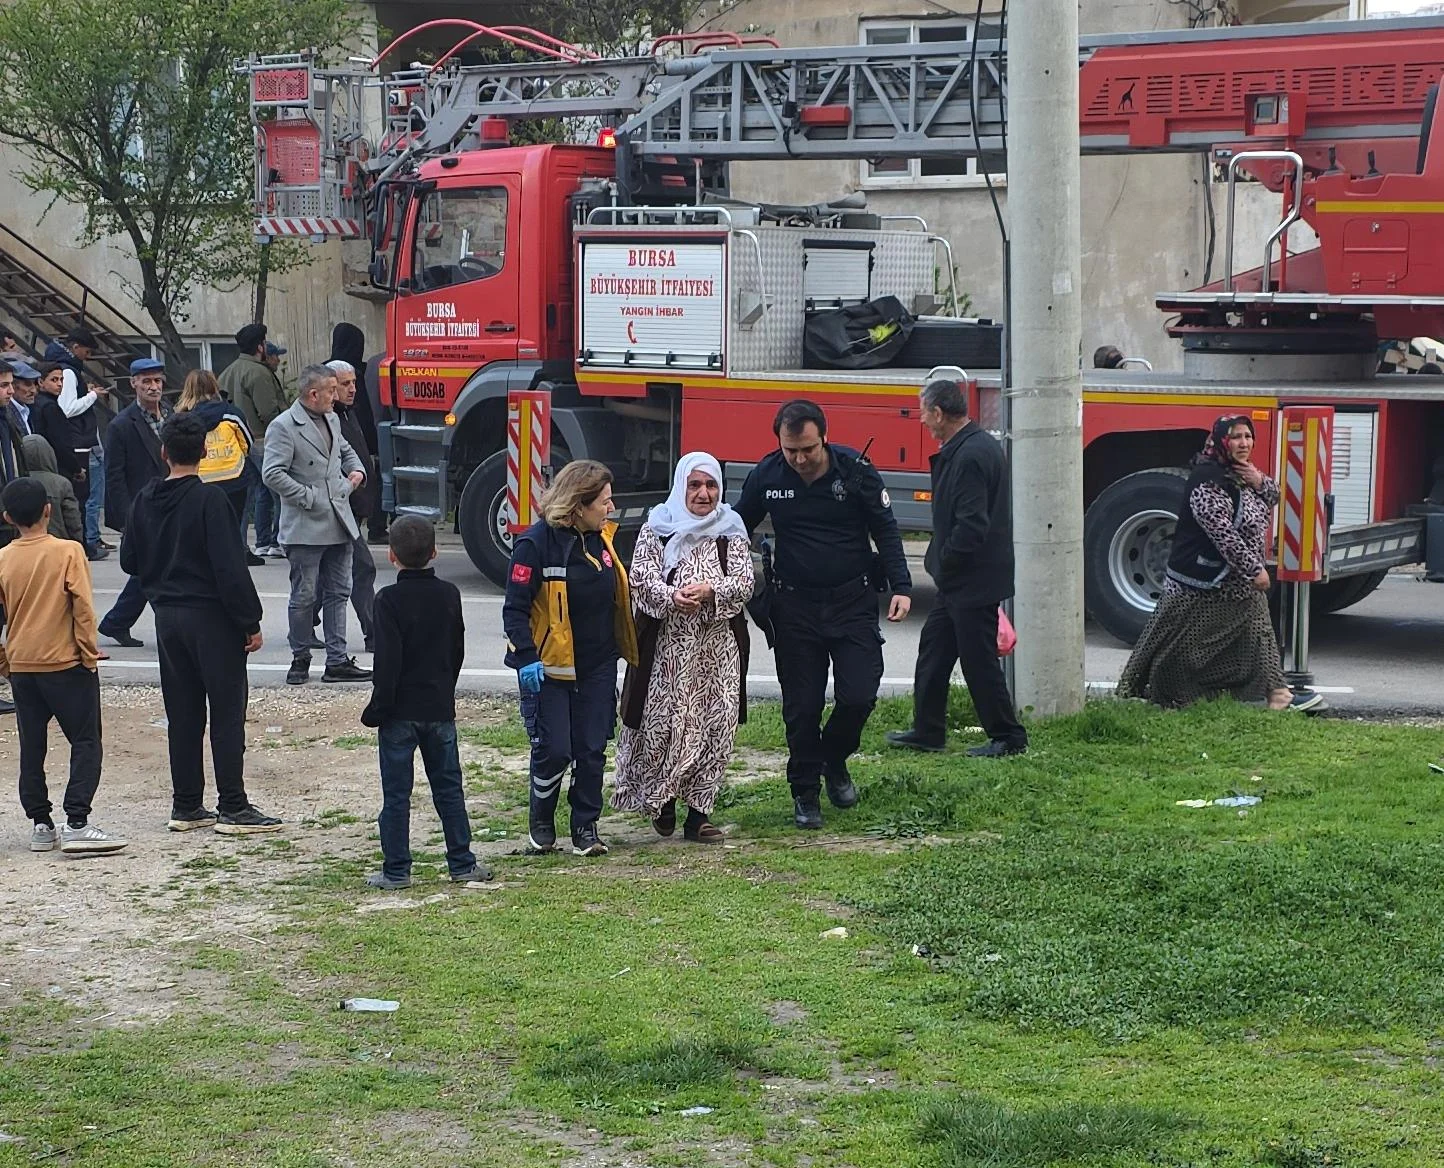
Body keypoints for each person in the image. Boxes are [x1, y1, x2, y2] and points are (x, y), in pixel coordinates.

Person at [735, 400, 912, 830]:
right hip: (795, 607)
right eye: (791, 450)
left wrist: (902, 586)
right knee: (802, 708)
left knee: (859, 695)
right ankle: (805, 792)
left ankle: (833, 757)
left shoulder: (856, 472)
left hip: (852, 603)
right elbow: (737, 525)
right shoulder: (768, 474)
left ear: (825, 439)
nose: (799, 459)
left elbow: (886, 529)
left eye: (808, 450)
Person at [120, 413, 282, 834]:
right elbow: (230, 568)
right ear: (205, 452)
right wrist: (250, 620)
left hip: (166, 616)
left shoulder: (144, 499)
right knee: (226, 711)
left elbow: (129, 560)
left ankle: (187, 802)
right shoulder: (210, 500)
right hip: (210, 616)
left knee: (183, 713)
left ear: (164, 452)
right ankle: (233, 803)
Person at [1118, 415, 1322, 712]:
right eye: (1236, 437)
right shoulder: (1208, 480)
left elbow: (1274, 495)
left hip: (1235, 579)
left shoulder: (1241, 473)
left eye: (1248, 436)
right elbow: (1222, 535)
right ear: (1222, 441)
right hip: (1201, 580)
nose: (1244, 443)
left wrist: (1259, 480)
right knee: (1182, 645)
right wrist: (1254, 570)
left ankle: (1277, 693)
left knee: (1258, 630)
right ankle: (1164, 690)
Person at [612, 453, 754, 843]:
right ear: (681, 487)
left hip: (717, 651)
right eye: (695, 485)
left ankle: (699, 815)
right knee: (666, 723)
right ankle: (664, 800)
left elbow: (744, 583)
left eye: (711, 485)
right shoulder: (657, 526)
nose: (704, 494)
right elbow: (640, 578)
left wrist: (711, 590)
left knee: (716, 725)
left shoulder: (730, 529)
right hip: (668, 651)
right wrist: (672, 596)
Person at [502, 459, 639, 858]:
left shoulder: (602, 540)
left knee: (591, 748)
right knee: (556, 749)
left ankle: (585, 827)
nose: (611, 508)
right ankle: (542, 820)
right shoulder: (535, 545)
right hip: (549, 668)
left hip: (597, 664)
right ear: (579, 505)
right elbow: (515, 609)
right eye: (604, 501)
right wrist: (527, 657)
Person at [886, 378, 1028, 758]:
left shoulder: (969, 456)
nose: (921, 420)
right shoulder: (971, 446)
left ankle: (1008, 737)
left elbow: (971, 526)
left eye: (923, 412)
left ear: (938, 413)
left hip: (971, 579)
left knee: (978, 662)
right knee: (934, 653)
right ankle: (928, 730)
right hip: (960, 580)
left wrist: (946, 562)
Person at [360, 515, 487, 888]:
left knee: (397, 794)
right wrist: (446, 690)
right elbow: (457, 649)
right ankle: (461, 862)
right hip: (438, 706)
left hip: (400, 710)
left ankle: (396, 868)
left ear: (391, 555)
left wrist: (378, 708)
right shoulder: (449, 594)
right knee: (449, 789)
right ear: (434, 552)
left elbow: (387, 662)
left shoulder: (387, 600)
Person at [0, 477, 125, 854]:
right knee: (85, 741)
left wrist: (4, 661)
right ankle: (77, 820)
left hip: (22, 664)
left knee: (32, 745)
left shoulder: (3, 558)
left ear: (8, 518)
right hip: (65, 661)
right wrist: (88, 652)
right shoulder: (68, 551)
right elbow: (82, 608)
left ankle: (41, 823)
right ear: (48, 510)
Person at [263, 363, 372, 686]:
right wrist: (308, 497)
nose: (336, 395)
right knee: (305, 595)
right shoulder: (284, 426)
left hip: (339, 519)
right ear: (313, 394)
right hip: (305, 524)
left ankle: (337, 660)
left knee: (339, 592)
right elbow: (272, 474)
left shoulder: (332, 418)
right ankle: (300, 657)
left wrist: (357, 472)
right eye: (331, 390)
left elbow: (345, 451)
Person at [98, 358, 172, 648]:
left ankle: (117, 621)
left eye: (157, 381)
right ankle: (166, 625)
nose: (154, 387)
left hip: (169, 503)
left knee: (150, 568)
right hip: (141, 508)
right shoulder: (121, 425)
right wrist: (128, 516)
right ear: (134, 384)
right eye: (147, 382)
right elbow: (114, 476)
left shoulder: (169, 414)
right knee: (153, 568)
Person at [175, 369, 261, 563]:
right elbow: (248, 442)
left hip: (200, 480)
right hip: (234, 478)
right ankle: (233, 560)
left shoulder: (183, 418)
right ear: (214, 386)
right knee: (233, 526)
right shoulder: (231, 413)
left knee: (202, 527)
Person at [321, 358, 378, 651]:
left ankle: (303, 628)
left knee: (324, 572)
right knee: (362, 567)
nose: (353, 389)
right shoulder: (326, 419)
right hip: (338, 508)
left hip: (351, 506)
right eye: (345, 384)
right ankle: (374, 633)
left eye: (354, 382)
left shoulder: (346, 414)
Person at [220, 324, 288, 558]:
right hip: (262, 439)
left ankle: (255, 543)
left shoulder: (228, 371)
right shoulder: (259, 373)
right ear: (260, 346)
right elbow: (268, 412)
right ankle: (278, 541)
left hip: (236, 443)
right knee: (279, 492)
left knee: (253, 495)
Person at [42, 328, 109, 559]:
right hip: (79, 442)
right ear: (75, 347)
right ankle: (86, 543)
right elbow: (68, 408)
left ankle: (87, 541)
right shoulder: (69, 371)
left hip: (79, 440)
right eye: (86, 352)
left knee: (84, 496)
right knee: (83, 497)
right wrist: (92, 396)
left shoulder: (67, 368)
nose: (87, 357)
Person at [21, 435, 84, 544]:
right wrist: (77, 542)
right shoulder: (61, 484)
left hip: (24, 544)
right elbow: (73, 519)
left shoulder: (16, 483)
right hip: (59, 542)